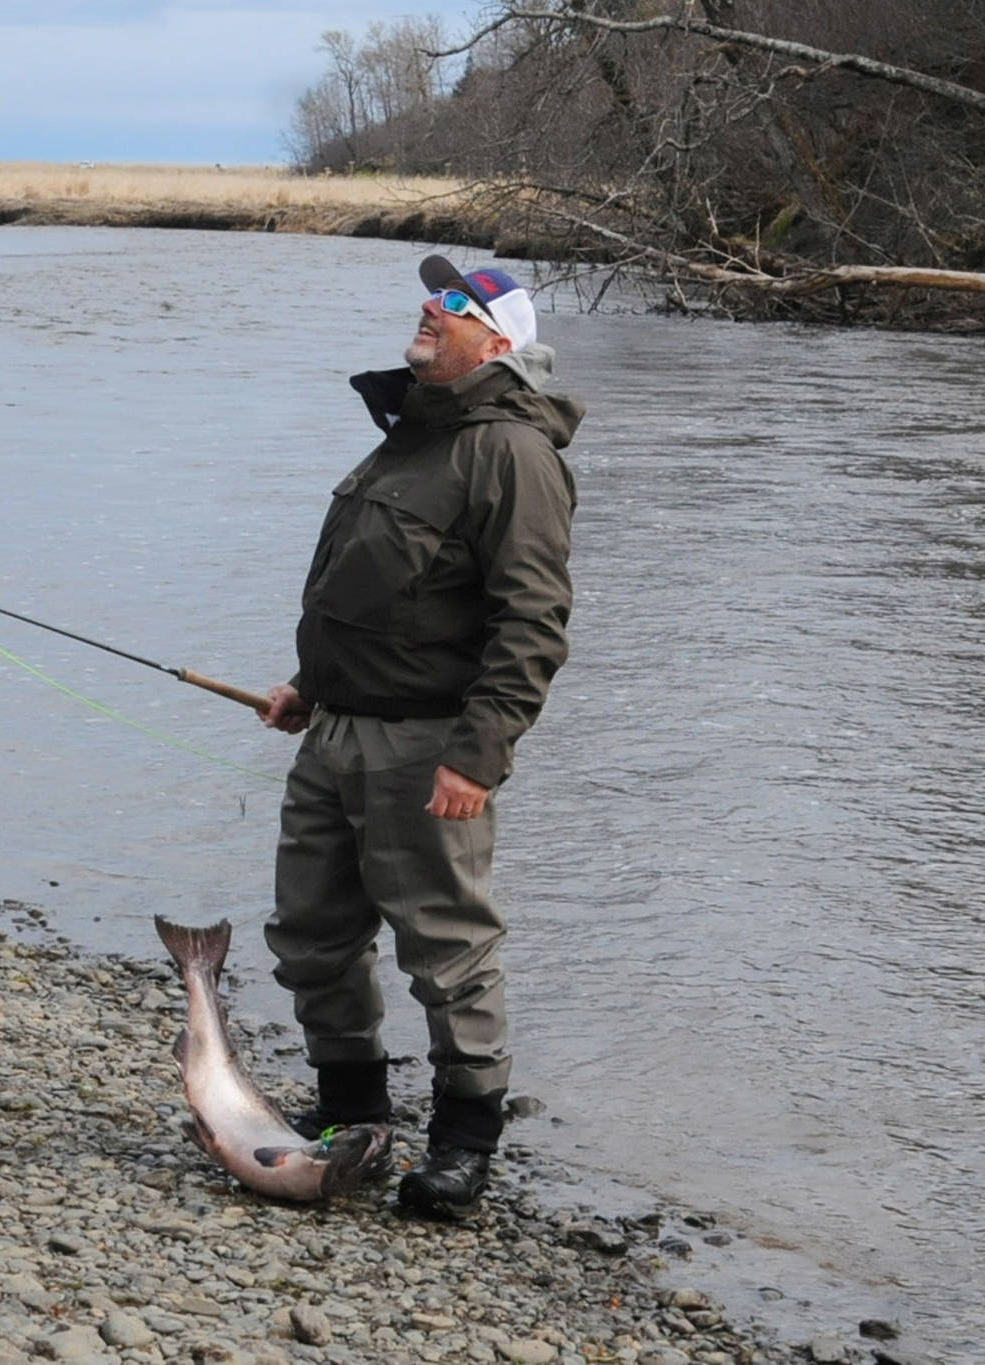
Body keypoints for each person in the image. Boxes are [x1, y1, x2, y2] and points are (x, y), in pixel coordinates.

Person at [259, 254, 582, 1213]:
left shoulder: (511, 453)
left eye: (456, 305)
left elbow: (531, 625)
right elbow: (371, 590)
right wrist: (309, 689)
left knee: (446, 950)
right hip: (335, 737)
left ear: (500, 341)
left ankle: (464, 1142)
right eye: (432, 297)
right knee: (312, 937)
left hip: (428, 750)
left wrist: (477, 756)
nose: (429, 311)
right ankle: (350, 1114)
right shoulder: (407, 436)